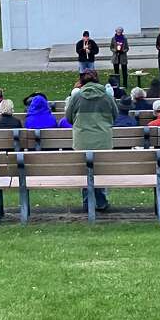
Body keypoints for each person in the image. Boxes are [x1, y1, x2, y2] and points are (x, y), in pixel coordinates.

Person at [64, 70, 118, 213]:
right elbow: (115, 114)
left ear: (81, 82)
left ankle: (88, 202)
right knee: (100, 170)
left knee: (85, 170)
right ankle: (101, 201)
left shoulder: (76, 97)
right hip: (103, 140)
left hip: (82, 140)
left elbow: (68, 118)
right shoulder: (106, 96)